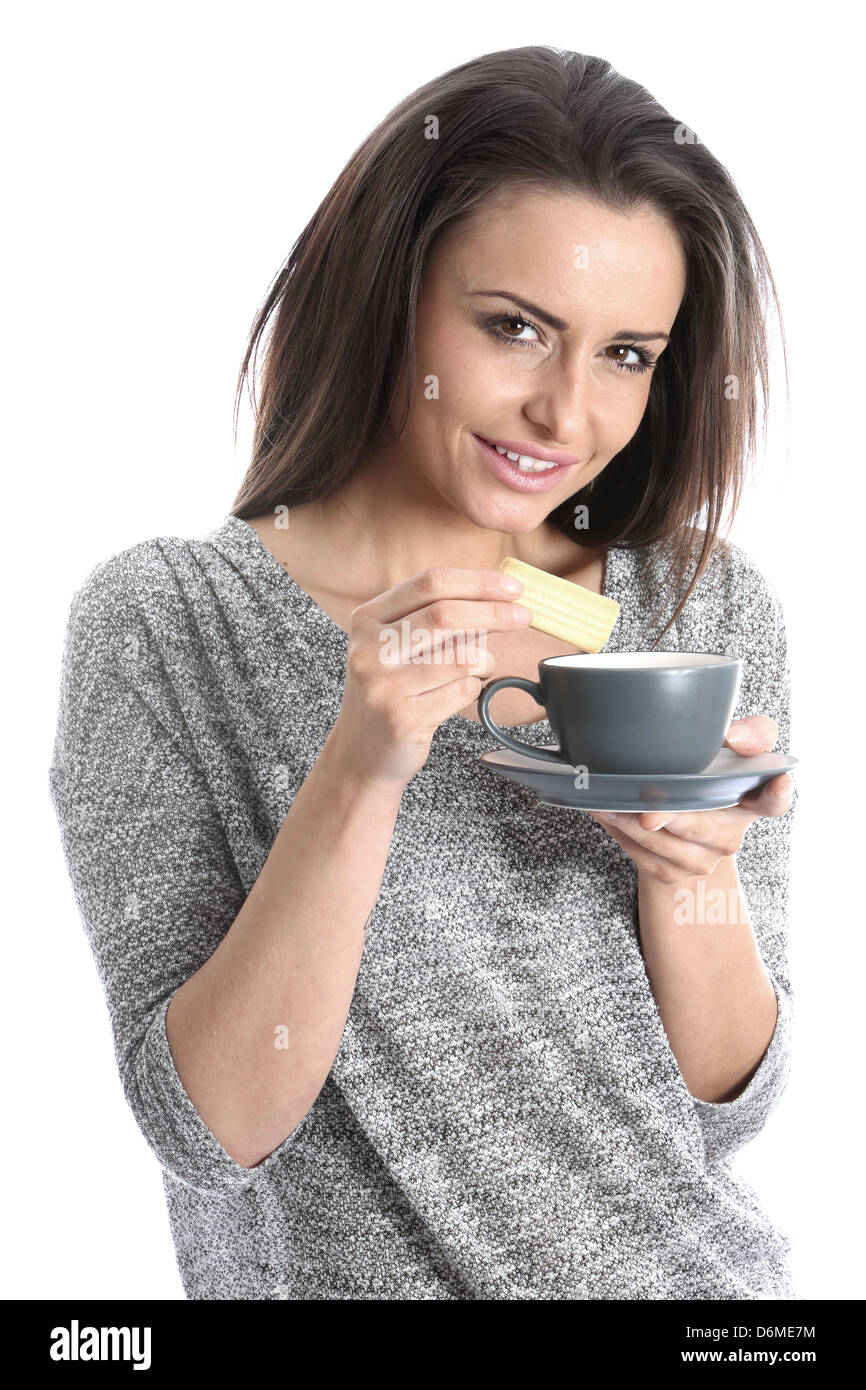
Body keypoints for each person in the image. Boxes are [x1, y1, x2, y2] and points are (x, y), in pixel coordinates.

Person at [49, 45, 797, 1299]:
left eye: (626, 353)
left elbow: (722, 1109)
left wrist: (695, 878)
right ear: (387, 294)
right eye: (514, 328)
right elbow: (209, 1131)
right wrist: (359, 764)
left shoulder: (693, 605)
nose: (567, 415)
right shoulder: (167, 626)